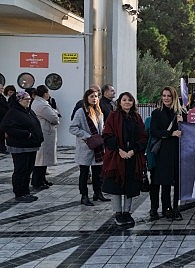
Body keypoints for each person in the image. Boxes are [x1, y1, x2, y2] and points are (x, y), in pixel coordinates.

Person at [101, 92, 147, 226]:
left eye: (130, 100)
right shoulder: (113, 116)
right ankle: (118, 213)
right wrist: (119, 150)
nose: (127, 102)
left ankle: (127, 212)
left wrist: (134, 150)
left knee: (130, 185)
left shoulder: (136, 117)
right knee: (117, 185)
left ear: (133, 102)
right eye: (124, 100)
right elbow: (107, 135)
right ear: (120, 102)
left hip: (132, 156)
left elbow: (143, 137)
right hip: (117, 156)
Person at [0, 91, 44, 202]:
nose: (29, 101)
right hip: (20, 147)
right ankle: (19, 193)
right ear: (19, 100)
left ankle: (26, 192)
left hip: (31, 146)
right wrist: (26, 134)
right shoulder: (13, 112)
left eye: (29, 99)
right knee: (21, 170)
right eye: (26, 99)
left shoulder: (28, 111)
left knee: (28, 169)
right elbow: (6, 126)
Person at [149, 86, 184, 221]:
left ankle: (176, 208)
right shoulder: (157, 113)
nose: (166, 98)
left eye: (169, 96)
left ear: (174, 97)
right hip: (163, 152)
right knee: (165, 182)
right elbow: (154, 131)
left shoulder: (181, 112)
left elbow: (187, 132)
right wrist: (170, 133)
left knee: (178, 181)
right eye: (164, 95)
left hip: (178, 151)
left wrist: (182, 123)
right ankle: (166, 208)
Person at [69, 88, 109, 206]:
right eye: (91, 96)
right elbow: (73, 128)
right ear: (86, 98)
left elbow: (100, 128)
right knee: (84, 173)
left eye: (96, 96)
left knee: (98, 173)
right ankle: (84, 196)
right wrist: (87, 136)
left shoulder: (99, 112)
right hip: (86, 146)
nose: (94, 98)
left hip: (98, 147)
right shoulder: (81, 112)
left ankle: (98, 193)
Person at [30, 85, 59, 190]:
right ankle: (38, 181)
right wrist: (55, 114)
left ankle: (42, 179)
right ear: (45, 93)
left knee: (43, 159)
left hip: (43, 133)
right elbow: (54, 118)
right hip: (44, 133)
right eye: (48, 92)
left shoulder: (39, 102)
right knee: (41, 159)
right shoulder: (42, 105)